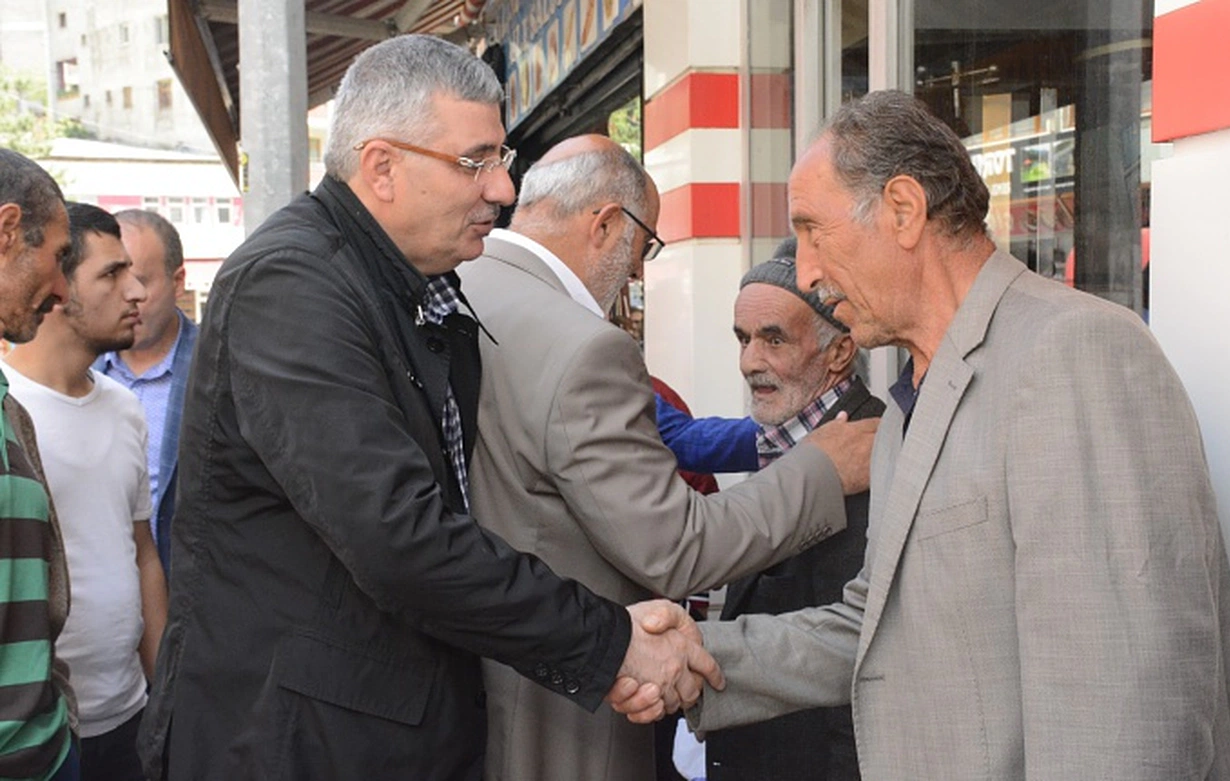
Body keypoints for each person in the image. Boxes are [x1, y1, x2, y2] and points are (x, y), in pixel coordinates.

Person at [616, 91, 1230, 779]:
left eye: (814, 231)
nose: (807, 271)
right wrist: (697, 656)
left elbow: (1122, 709)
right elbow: (872, 624)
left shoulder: (1074, 351)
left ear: (904, 210)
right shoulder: (911, 399)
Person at [136, 35, 719, 781]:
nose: (502, 189)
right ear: (382, 167)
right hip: (298, 745)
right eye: (475, 162)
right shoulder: (290, 285)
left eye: (502, 159)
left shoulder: (409, 282)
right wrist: (609, 643)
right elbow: (398, 535)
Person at [456, 134, 878, 781]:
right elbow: (673, 546)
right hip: (560, 715)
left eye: (773, 339)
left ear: (840, 351)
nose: (635, 274)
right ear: (605, 224)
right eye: (643, 247)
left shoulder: (462, 287)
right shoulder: (579, 345)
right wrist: (822, 467)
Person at [702, 237, 884, 781]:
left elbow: (857, 669)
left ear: (839, 352)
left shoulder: (870, 453)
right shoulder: (786, 440)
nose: (749, 362)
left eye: (773, 339)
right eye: (743, 338)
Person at [4, 202, 166, 781]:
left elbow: (142, 552)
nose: (136, 291)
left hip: (129, 715)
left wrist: (164, 692)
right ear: (57, 283)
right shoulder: (9, 411)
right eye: (112, 274)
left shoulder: (125, 408)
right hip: (38, 734)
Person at [0, 148, 77, 781]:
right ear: (7, 232)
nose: (61, 289)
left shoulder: (9, 409)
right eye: (57, 255)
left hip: (46, 753)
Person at [94, 209, 198, 575]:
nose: (129, 295)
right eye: (112, 278)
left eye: (139, 279)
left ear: (178, 281)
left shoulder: (219, 369)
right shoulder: (78, 375)